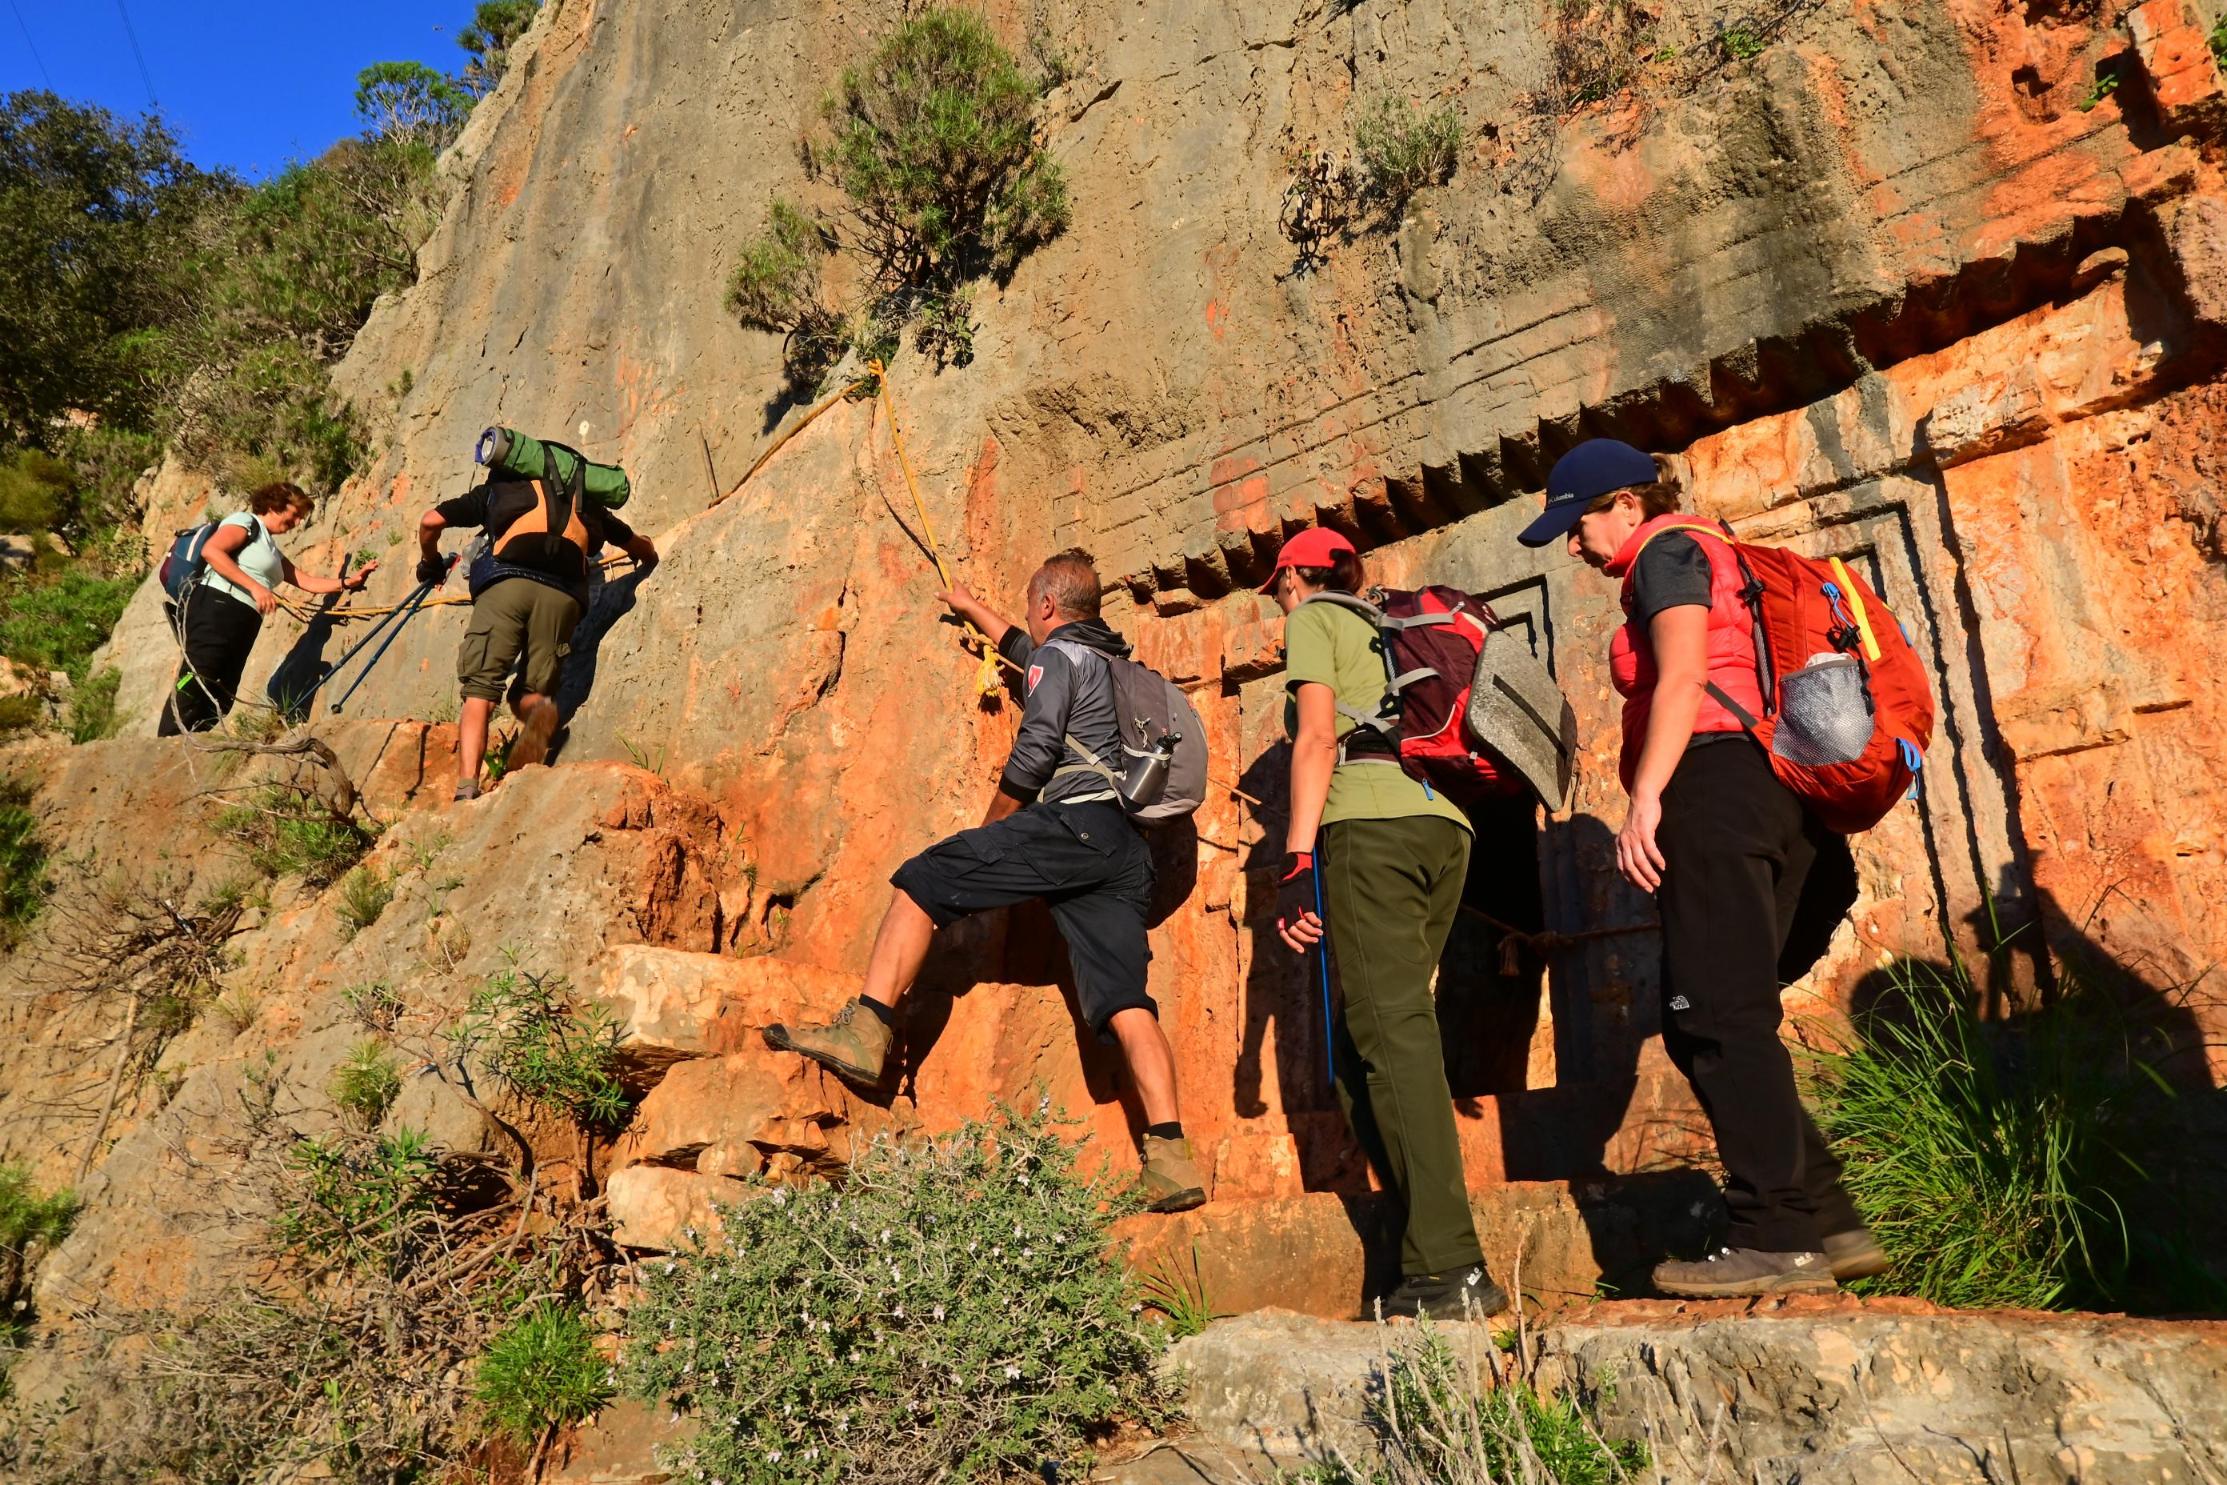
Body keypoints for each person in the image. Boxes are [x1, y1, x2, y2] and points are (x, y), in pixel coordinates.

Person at [1518, 437, 1886, 1299]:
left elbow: (1682, 676)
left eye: (1577, 524)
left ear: (1627, 505)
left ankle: (1776, 1234)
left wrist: (1644, 796)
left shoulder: (1665, 555)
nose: (1572, 545)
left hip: (1716, 789)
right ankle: (1827, 1218)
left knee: (1717, 1015)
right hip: (1779, 792)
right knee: (1707, 1019)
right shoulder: (1720, 556)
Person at [763, 549, 1206, 1214]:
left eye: (1033, 605)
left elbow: (1033, 752)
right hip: (1125, 849)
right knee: (1122, 997)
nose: (1030, 617)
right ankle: (1172, 1159)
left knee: (924, 878)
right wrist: (972, 607)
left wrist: (988, 829)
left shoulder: (1060, 661)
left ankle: (867, 1030)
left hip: (1071, 825)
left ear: (1049, 605)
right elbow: (1026, 648)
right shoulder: (1113, 665)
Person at [1267, 526, 1509, 1321]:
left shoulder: (1318, 617)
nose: (1278, 603)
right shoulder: (1391, 626)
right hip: (1447, 829)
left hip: (1369, 824)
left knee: (1392, 1033)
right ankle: (1420, 1253)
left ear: (1299, 577)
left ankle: (1452, 1266)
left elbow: (1313, 739)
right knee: (1366, 1049)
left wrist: (1296, 863)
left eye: (1277, 588)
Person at [418, 462, 657, 801]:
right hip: (564, 597)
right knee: (532, 691)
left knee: (481, 692)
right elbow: (636, 545)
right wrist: (650, 555)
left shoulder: (500, 492)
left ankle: (466, 789)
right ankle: (532, 730)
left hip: (507, 586)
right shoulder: (582, 502)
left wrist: (430, 563)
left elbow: (430, 521)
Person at [160, 482, 375, 735]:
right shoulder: (245, 522)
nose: (297, 522)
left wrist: (347, 582)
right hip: (217, 607)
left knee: (223, 690)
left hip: (244, 620)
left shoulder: (270, 548)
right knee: (199, 674)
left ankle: (195, 740)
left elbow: (304, 580)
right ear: (274, 505)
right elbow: (212, 551)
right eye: (294, 514)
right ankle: (167, 739)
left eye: (300, 518)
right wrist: (256, 587)